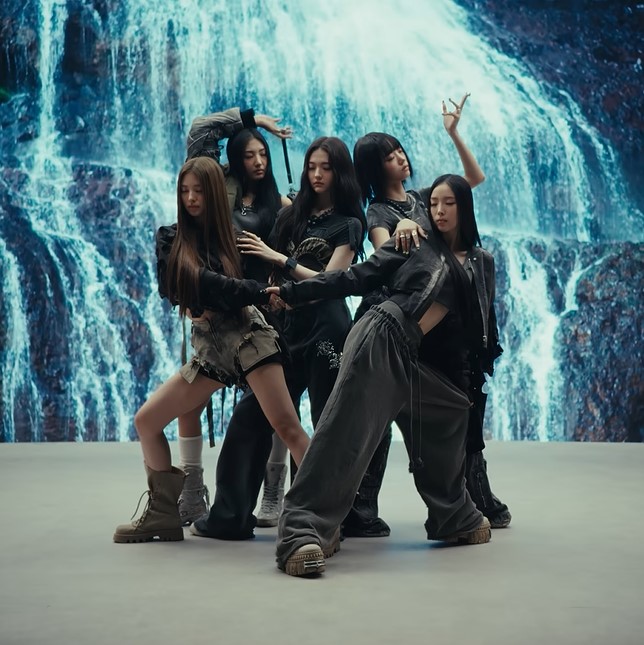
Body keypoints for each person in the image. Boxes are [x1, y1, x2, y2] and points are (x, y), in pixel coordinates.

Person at [268, 173, 495, 576]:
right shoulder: (415, 240)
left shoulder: (482, 261)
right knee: (346, 431)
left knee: (450, 412)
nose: (440, 211)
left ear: (465, 207)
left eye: (449, 203)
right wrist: (292, 292)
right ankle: (301, 531)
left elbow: (480, 326)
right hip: (382, 334)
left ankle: (453, 515)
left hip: (417, 357)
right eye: (433, 203)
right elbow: (356, 276)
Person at [113, 157, 309, 543]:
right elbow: (183, 286)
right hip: (210, 347)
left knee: (287, 427)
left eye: (199, 191)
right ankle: (163, 515)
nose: (190, 198)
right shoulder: (170, 238)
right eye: (185, 191)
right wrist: (246, 292)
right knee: (147, 421)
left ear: (215, 194)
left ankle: (319, 511)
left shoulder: (235, 238)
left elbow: (226, 288)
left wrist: (245, 292)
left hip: (249, 339)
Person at [344, 94, 510, 538]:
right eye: (389, 156)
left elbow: (472, 179)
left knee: (457, 407)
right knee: (381, 416)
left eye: (400, 150)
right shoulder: (379, 211)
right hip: (400, 316)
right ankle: (361, 507)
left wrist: (453, 133)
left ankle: (470, 499)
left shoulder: (423, 198)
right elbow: (385, 252)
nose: (401, 158)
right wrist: (399, 228)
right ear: (374, 168)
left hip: (439, 318)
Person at [188, 136, 366, 541]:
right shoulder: (290, 215)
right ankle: (230, 516)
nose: (317, 175)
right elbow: (268, 272)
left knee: (326, 422)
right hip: (283, 329)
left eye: (326, 168)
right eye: (312, 167)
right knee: (249, 418)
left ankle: (322, 518)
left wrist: (280, 259)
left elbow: (333, 281)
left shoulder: (349, 224)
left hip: (327, 332)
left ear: (340, 173)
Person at [177, 107, 292, 525]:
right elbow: (200, 129)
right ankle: (192, 492)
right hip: (214, 311)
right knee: (188, 401)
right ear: (234, 159)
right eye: (249, 154)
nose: (259, 161)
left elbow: (292, 254)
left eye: (264, 154)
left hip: (261, 312)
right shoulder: (215, 185)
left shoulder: (280, 203)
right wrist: (255, 120)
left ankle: (274, 491)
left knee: (274, 409)